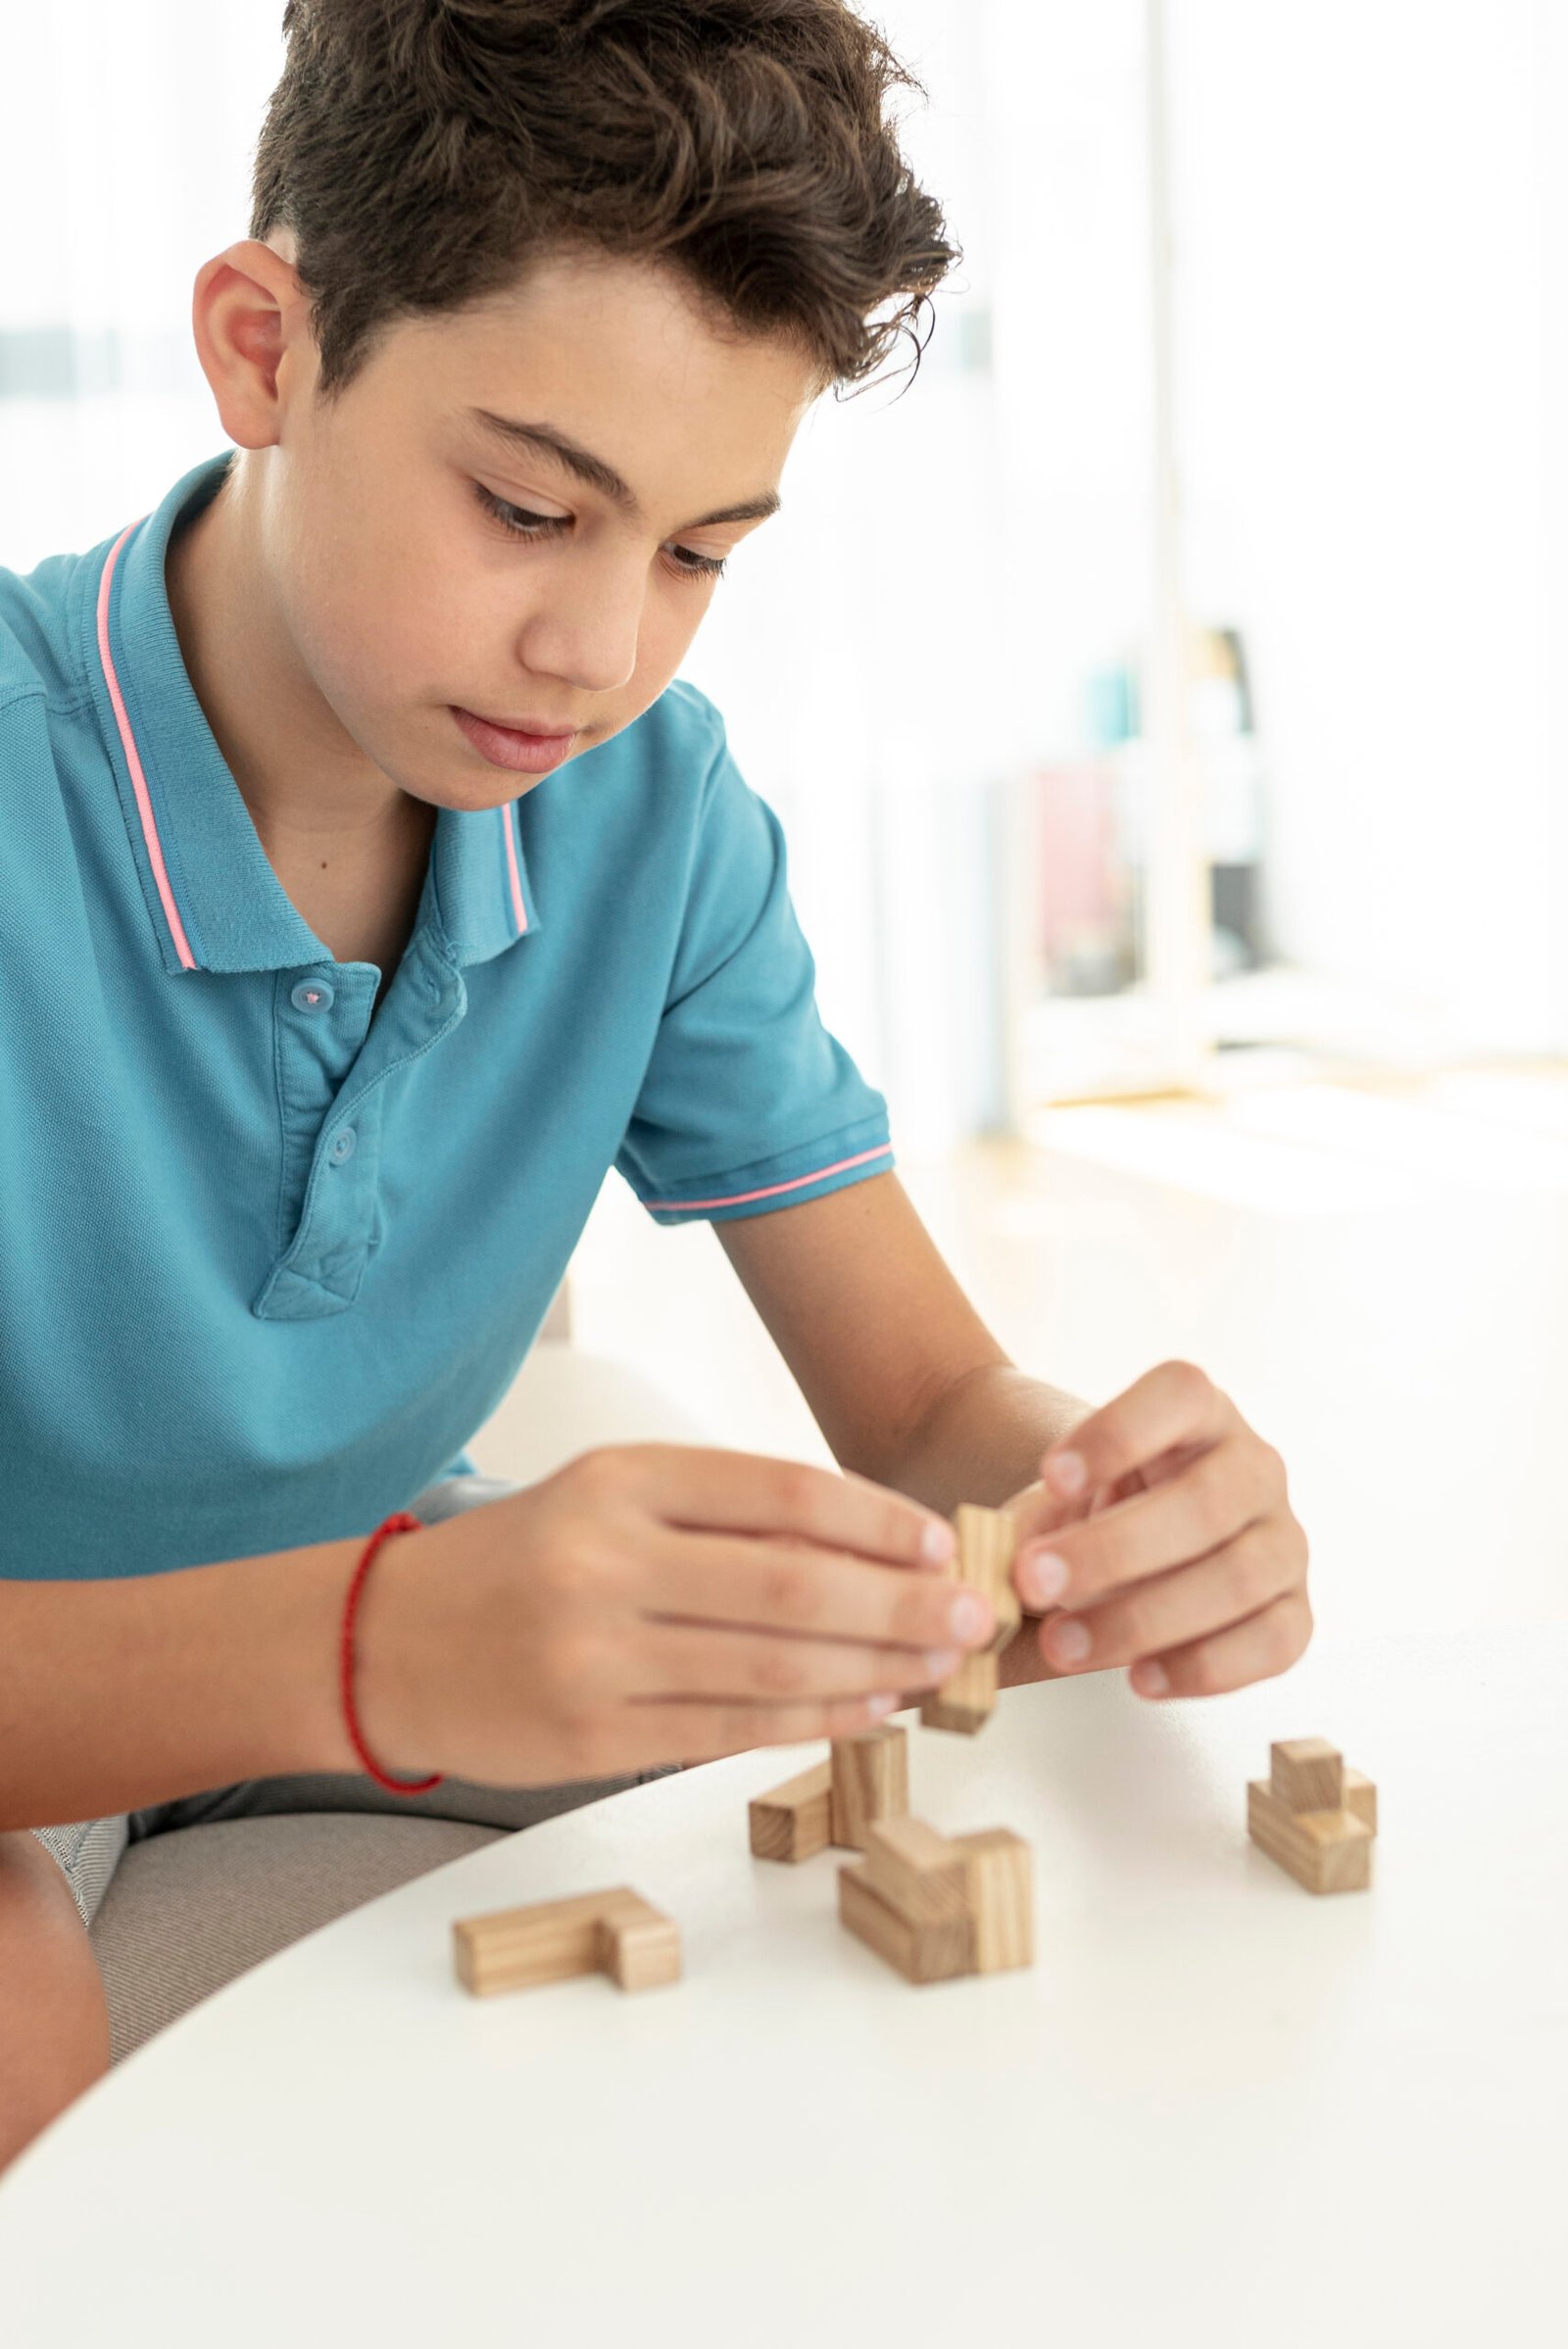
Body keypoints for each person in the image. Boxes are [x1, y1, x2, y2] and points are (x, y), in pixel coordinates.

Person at [0, 0, 1309, 2174]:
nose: (600, 652)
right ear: (263, 347)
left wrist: (1108, 1507)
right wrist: (369, 1646)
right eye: (530, 505)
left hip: (367, 1618)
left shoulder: (651, 816)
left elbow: (915, 1408)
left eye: (701, 549)